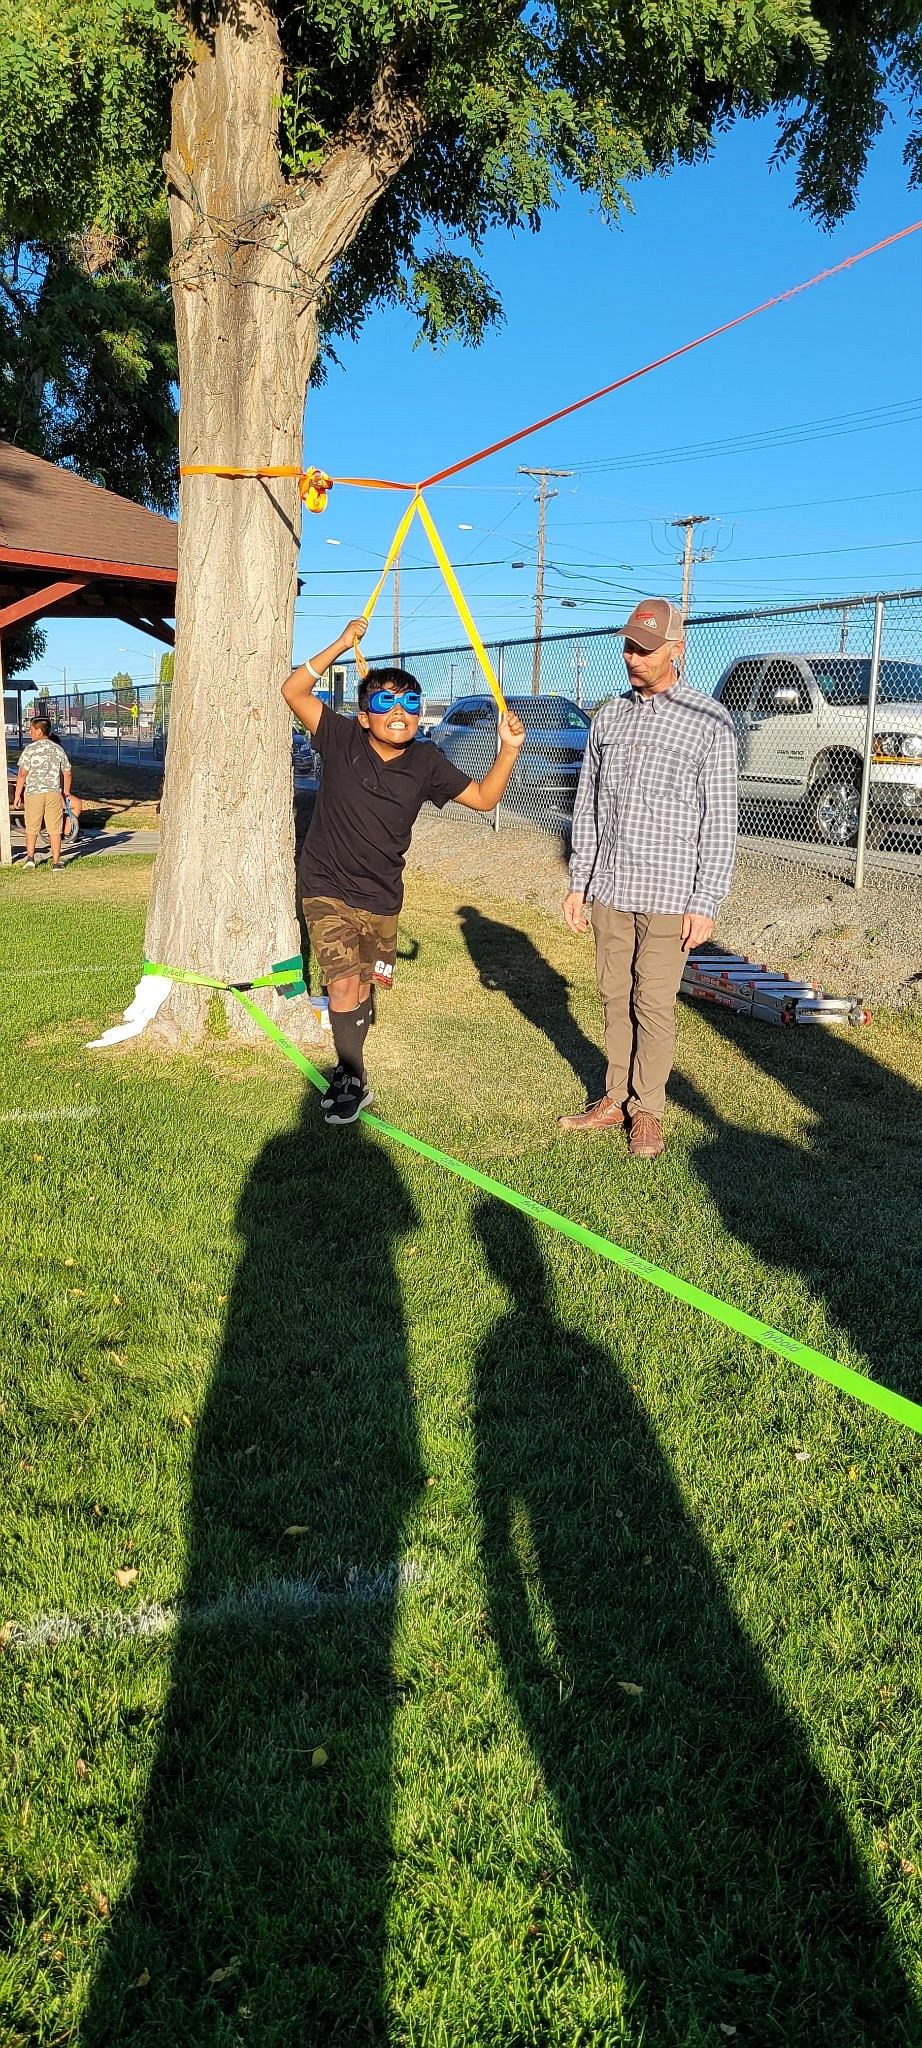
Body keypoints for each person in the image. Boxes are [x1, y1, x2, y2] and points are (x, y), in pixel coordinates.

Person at [283, 618, 526, 1125]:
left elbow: (483, 799)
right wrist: (342, 643)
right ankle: (353, 1077)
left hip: (381, 895)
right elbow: (294, 688)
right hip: (325, 885)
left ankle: (353, 1046)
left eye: (410, 704)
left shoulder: (427, 761)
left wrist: (508, 751)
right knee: (344, 981)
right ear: (364, 715)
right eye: (384, 703)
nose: (399, 712)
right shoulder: (340, 736)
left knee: (365, 985)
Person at [559, 597, 737, 1160]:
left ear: (676, 650)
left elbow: (720, 819)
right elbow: (587, 804)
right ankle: (614, 1098)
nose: (634, 657)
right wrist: (579, 881)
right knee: (614, 997)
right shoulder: (609, 716)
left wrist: (705, 901)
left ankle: (648, 1110)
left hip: (670, 894)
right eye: (629, 646)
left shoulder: (709, 720)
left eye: (647, 648)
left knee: (653, 1004)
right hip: (611, 888)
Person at [12, 717, 73, 871]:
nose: (29, 732)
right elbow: (67, 772)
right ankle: (56, 862)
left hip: (33, 793)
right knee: (54, 828)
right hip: (53, 793)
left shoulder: (30, 749)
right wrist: (65, 792)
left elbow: (22, 774)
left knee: (32, 827)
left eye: (31, 730)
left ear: (39, 731)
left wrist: (18, 795)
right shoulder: (58, 749)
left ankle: (30, 858)